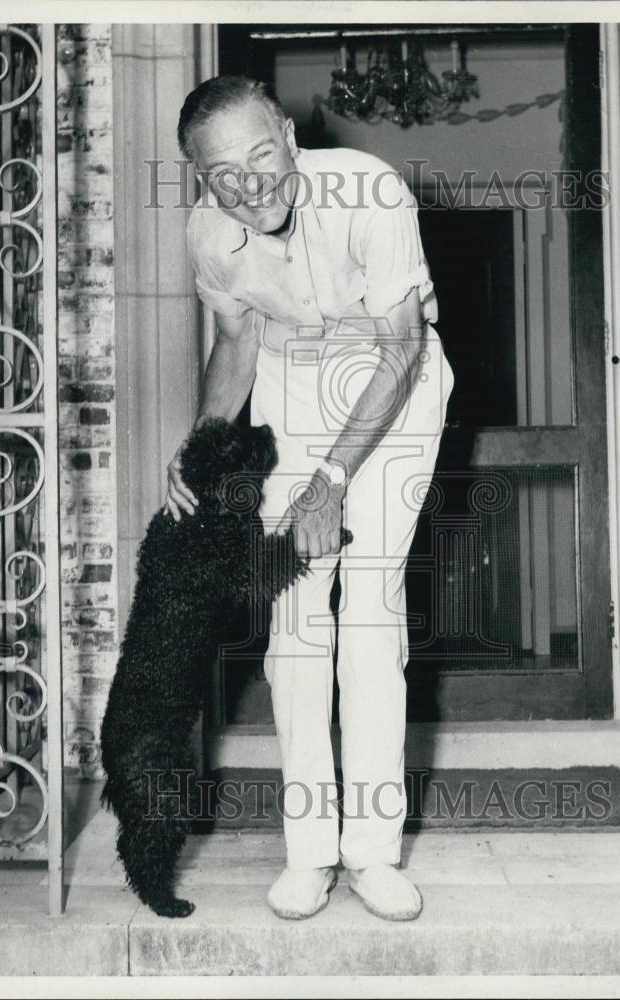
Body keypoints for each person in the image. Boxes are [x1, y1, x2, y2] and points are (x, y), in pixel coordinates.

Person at [168, 75, 454, 921]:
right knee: (296, 621)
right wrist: (204, 442)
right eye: (225, 173)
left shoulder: (367, 189)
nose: (251, 184)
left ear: (290, 140)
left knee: (367, 607)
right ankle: (309, 852)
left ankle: (371, 853)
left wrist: (331, 480)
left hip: (391, 388)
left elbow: (400, 349)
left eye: (263, 155)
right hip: (293, 394)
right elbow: (236, 339)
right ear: (200, 180)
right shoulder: (209, 235)